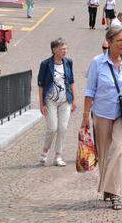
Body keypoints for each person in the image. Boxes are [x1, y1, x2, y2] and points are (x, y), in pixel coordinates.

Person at [82, 29, 122, 210]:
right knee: (104, 154)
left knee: (118, 149)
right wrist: (85, 116)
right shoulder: (97, 63)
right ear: (109, 42)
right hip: (102, 113)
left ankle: (115, 193)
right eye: (119, 40)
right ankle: (108, 189)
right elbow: (89, 91)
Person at [37, 38, 76, 167]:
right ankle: (45, 151)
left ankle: (58, 156)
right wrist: (41, 104)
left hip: (65, 100)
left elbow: (71, 81)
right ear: (54, 50)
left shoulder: (68, 62)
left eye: (65, 48)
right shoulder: (45, 64)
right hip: (50, 101)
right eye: (62, 48)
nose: (64, 51)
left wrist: (74, 99)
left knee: (62, 129)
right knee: (52, 128)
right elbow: (41, 85)